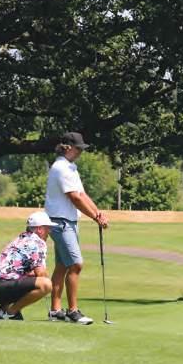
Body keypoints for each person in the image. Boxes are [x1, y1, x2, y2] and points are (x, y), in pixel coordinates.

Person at [44, 131, 109, 325]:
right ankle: (73, 311)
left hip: (68, 221)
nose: (81, 151)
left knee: (63, 265)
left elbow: (82, 194)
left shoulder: (71, 168)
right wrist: (95, 218)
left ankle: (55, 310)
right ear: (68, 148)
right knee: (76, 264)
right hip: (60, 222)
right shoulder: (61, 168)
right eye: (78, 148)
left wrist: (98, 213)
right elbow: (75, 198)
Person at [0, 211, 56, 320]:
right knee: (46, 284)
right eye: (48, 228)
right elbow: (41, 273)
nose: (49, 231)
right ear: (39, 229)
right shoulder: (37, 242)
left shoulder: (22, 238)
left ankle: (2, 311)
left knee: (27, 278)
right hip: (1, 286)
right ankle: (11, 313)